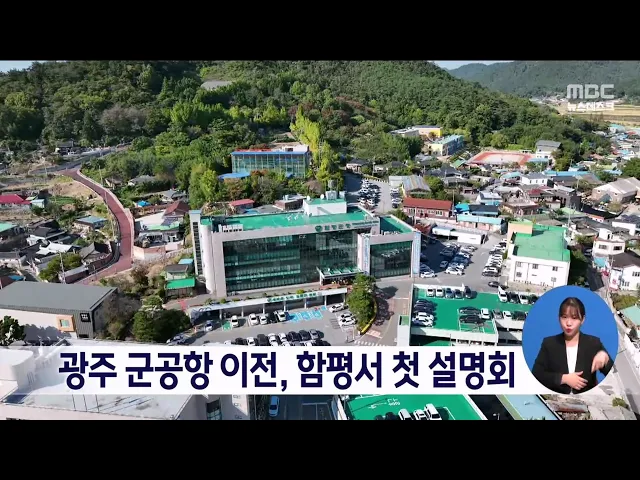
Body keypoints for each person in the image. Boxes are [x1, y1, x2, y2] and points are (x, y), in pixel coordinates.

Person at [532, 296, 613, 394]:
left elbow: (613, 373)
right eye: (564, 317)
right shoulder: (549, 343)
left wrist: (605, 357)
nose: (568, 323)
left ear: (582, 319)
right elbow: (537, 374)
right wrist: (563, 378)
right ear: (559, 318)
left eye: (574, 318)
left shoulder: (593, 343)